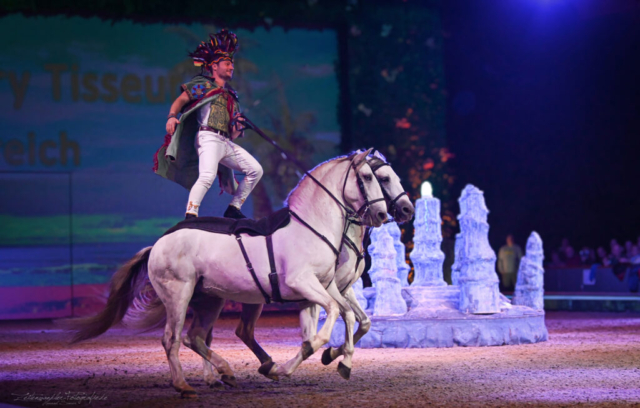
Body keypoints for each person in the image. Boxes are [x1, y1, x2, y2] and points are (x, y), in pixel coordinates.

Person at [154, 29, 263, 219]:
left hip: (225, 142)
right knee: (207, 176)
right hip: (208, 138)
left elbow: (232, 134)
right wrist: (172, 116)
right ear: (214, 66)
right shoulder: (202, 85)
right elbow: (181, 100)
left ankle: (233, 209)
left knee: (255, 170)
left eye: (233, 64)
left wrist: (238, 126)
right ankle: (191, 214)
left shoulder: (232, 96)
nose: (231, 67)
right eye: (227, 63)